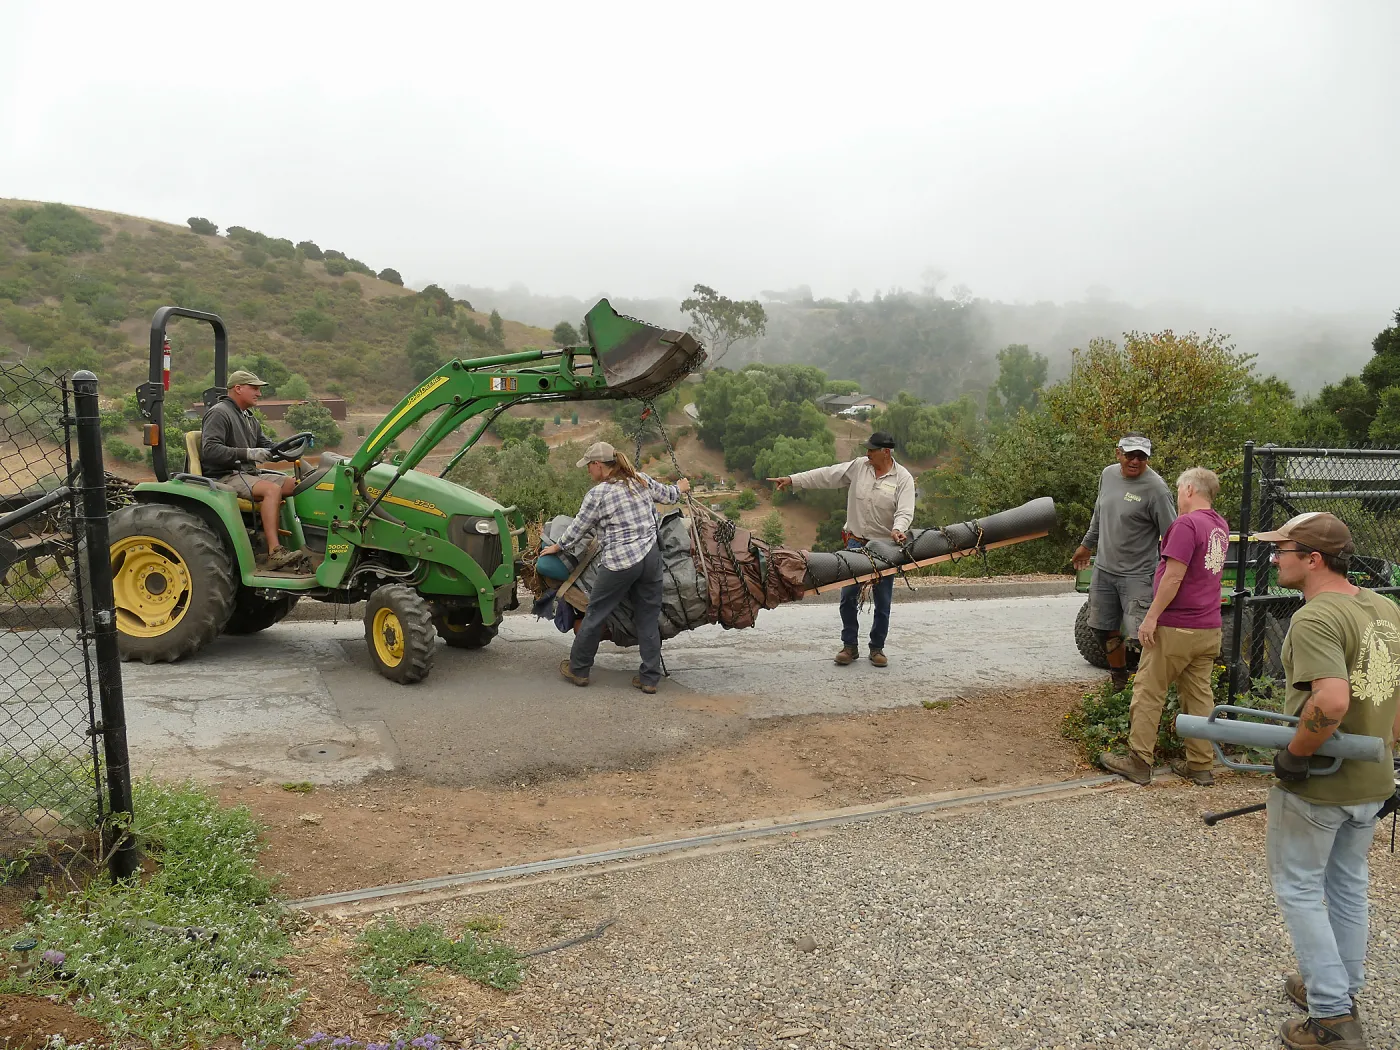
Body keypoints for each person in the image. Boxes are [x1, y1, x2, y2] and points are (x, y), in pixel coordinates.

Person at [1252, 512, 1400, 1050]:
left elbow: (1333, 700)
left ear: (1312, 558)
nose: (1274, 559)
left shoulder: (1315, 618)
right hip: (1372, 777)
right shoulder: (1383, 607)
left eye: (1281, 550)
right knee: (1347, 884)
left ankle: (1333, 1018)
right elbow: (1394, 697)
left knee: (1300, 888)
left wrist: (1295, 754)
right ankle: (1339, 986)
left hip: (1322, 784)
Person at [1099, 467, 1229, 786]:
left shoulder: (1186, 524)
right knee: (1198, 696)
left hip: (1176, 626)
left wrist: (1152, 616)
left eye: (1178, 489)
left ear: (1188, 489)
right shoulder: (1219, 525)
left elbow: (1173, 575)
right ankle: (1200, 765)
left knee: (1148, 691)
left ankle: (1139, 761)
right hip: (1208, 627)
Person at [541, 441, 691, 694]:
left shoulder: (598, 494)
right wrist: (681, 487)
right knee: (647, 616)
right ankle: (650, 678)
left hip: (621, 562)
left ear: (598, 465)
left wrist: (559, 546)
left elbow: (579, 527)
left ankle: (578, 670)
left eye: (589, 466)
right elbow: (670, 495)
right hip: (651, 558)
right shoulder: (640, 480)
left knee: (597, 612)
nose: (588, 471)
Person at [769, 431, 914, 667]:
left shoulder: (903, 479)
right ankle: (849, 647)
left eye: (871, 450)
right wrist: (793, 480)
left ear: (885, 452)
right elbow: (828, 475)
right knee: (848, 596)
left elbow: (905, 511)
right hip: (855, 543)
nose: (866, 454)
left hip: (886, 547)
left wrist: (898, 528)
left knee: (883, 600)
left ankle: (877, 648)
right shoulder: (859, 467)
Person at [1072, 432, 1177, 691]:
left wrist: (1169, 572)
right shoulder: (1108, 475)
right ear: (1118, 453)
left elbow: (1173, 536)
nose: (1135, 461)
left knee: (1142, 637)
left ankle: (1150, 690)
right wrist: (1087, 545)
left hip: (1138, 576)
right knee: (1100, 628)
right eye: (1130, 455)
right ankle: (1119, 683)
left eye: (1141, 456)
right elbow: (1099, 514)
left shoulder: (1157, 490)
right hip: (1104, 570)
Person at [200, 369, 305, 571]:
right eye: (254, 388)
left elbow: (267, 445)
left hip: (247, 474)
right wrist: (248, 453)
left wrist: (291, 447)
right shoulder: (219, 413)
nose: (259, 393)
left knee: (298, 484)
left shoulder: (248, 417)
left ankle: (303, 543)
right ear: (238, 388)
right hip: (225, 475)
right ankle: (274, 552)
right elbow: (210, 450)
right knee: (271, 490)